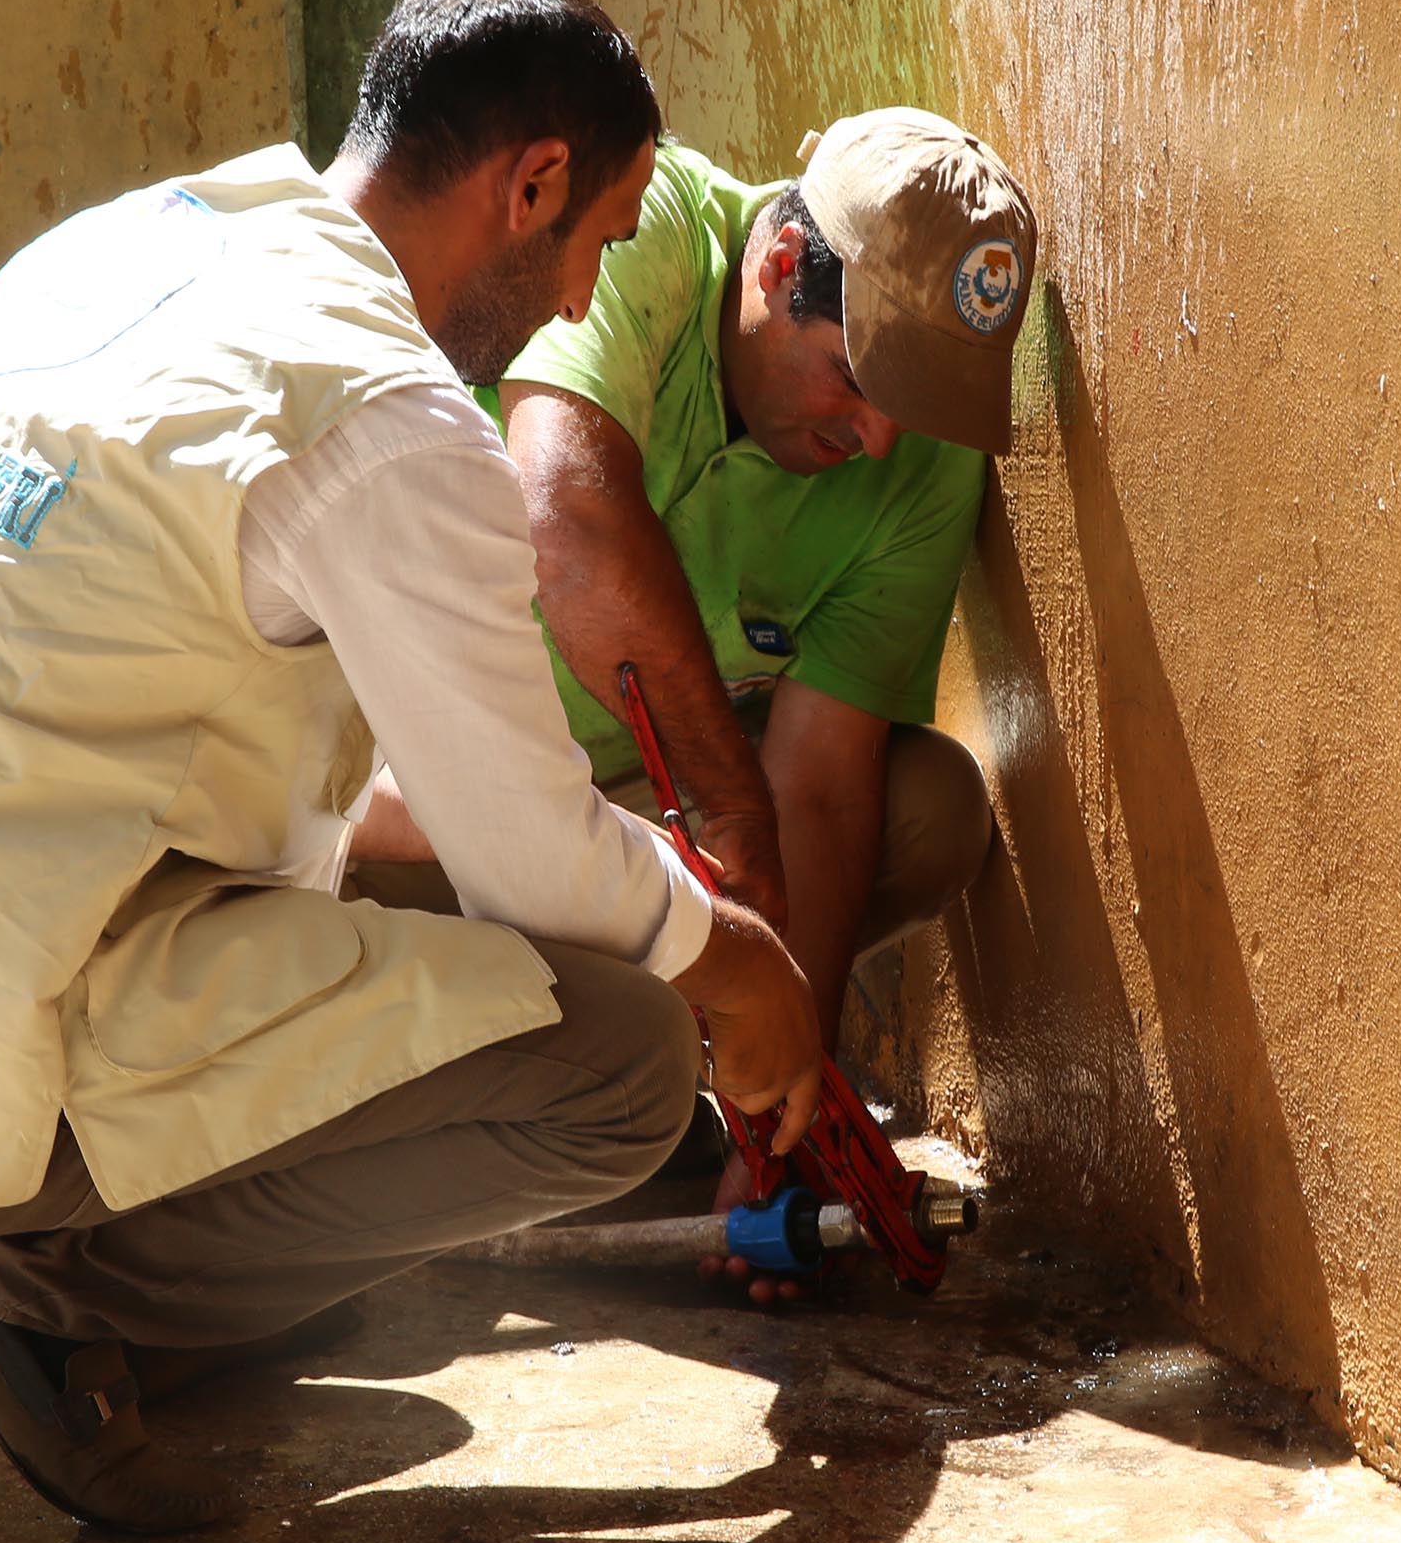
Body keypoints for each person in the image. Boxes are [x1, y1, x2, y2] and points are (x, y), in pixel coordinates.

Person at [0, 0, 823, 1536]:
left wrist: (572, 849)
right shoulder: (384, 414)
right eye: (596, 240)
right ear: (531, 184)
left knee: (431, 993)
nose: (583, 300)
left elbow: (251, 751)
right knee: (625, 1059)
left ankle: (117, 1279)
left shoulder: (138, 244)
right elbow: (538, 870)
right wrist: (742, 966)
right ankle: (49, 1296)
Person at [355, 112, 1040, 1062]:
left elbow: (824, 787)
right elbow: (566, 526)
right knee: (320, 870)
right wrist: (734, 808)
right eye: (856, 377)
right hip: (402, 784)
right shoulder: (642, 230)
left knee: (931, 809)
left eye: (916, 405)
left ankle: (670, 1063)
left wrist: (792, 1060)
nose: (881, 441)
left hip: (621, 809)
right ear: (780, 263)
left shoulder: (928, 461)